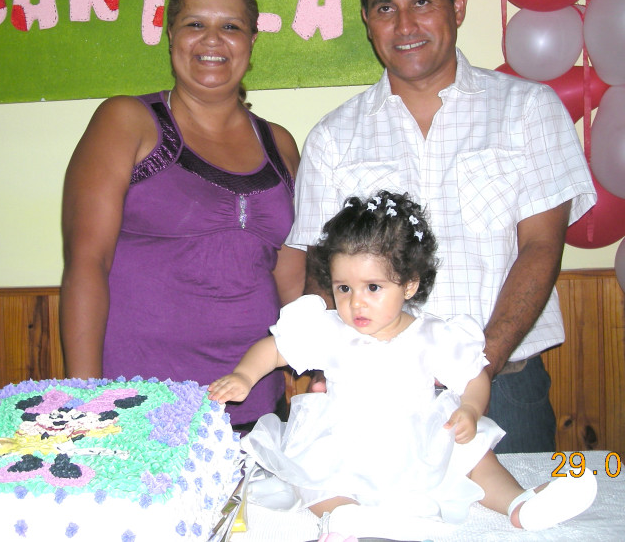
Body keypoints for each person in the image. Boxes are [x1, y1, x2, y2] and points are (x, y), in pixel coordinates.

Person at [285, 0, 597, 453]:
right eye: (385, 8)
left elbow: (542, 246)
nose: (404, 25)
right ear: (367, 21)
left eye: (422, 2)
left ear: (457, 6)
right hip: (374, 392)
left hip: (504, 384)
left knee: (513, 505)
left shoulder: (528, 110)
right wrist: (329, 361)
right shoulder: (333, 137)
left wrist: (479, 366)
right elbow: (322, 268)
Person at [209, 193, 597, 539]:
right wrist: (245, 374)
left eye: (373, 288)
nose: (356, 302)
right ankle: (343, 516)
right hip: (345, 439)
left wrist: (471, 409)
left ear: (409, 284)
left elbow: (473, 376)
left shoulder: (433, 334)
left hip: (416, 439)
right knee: (312, 471)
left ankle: (518, 503)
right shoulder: (328, 329)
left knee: (474, 452)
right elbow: (274, 349)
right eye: (344, 288)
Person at [60, 0, 305, 431]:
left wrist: (322, 376)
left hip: (256, 413)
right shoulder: (127, 121)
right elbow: (86, 264)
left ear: (252, 42)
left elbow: (293, 287)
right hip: (140, 415)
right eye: (195, 24)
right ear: (171, 35)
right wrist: (85, 404)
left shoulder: (280, 145)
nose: (212, 40)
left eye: (230, 26)